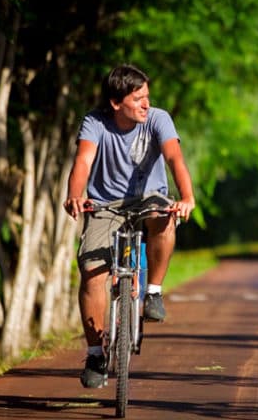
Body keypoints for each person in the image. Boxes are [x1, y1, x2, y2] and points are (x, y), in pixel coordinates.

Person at [64, 64, 195, 388]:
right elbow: (83, 161)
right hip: (106, 205)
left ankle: (153, 292)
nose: (145, 104)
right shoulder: (95, 123)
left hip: (149, 198)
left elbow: (174, 158)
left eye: (147, 97)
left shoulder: (158, 119)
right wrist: (74, 195)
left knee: (165, 219)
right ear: (116, 102)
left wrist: (187, 197)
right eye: (138, 99)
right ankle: (95, 353)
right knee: (92, 270)